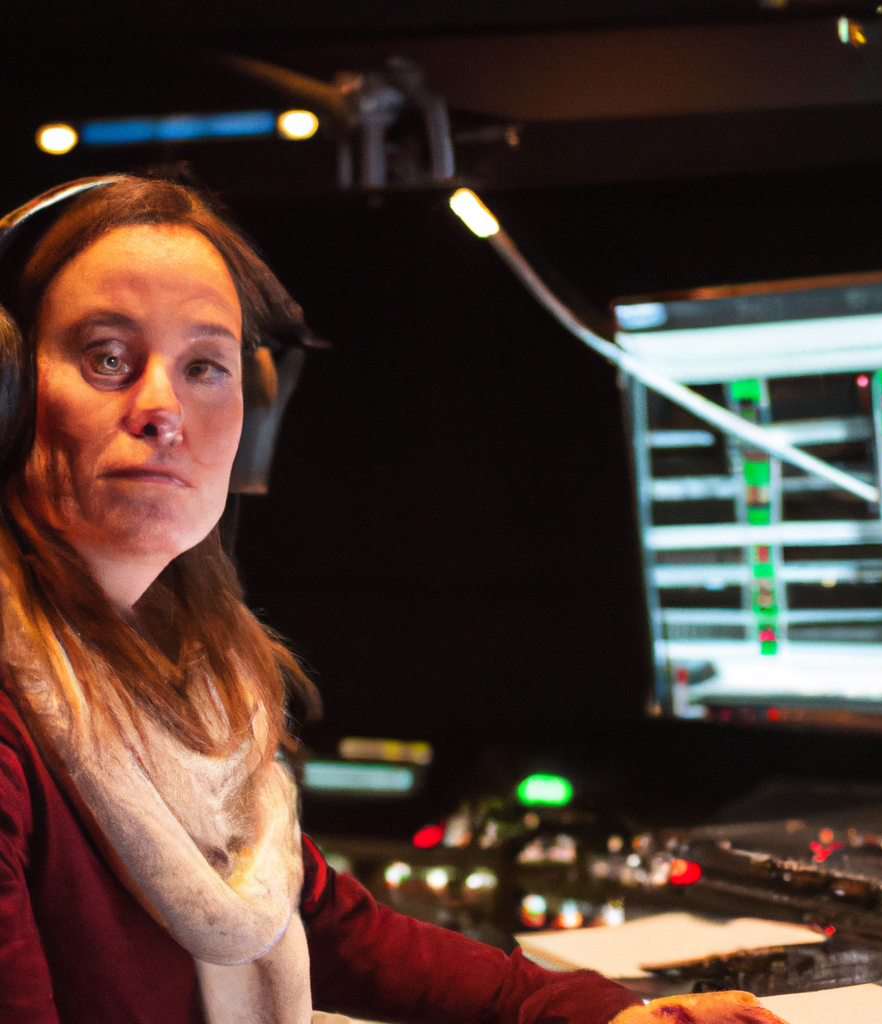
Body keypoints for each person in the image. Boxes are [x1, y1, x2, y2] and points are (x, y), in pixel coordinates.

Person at [0, 173, 785, 1024]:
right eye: (107, 358)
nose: (163, 409)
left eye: (204, 368)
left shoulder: (188, 682)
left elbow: (328, 929)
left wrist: (611, 1017)